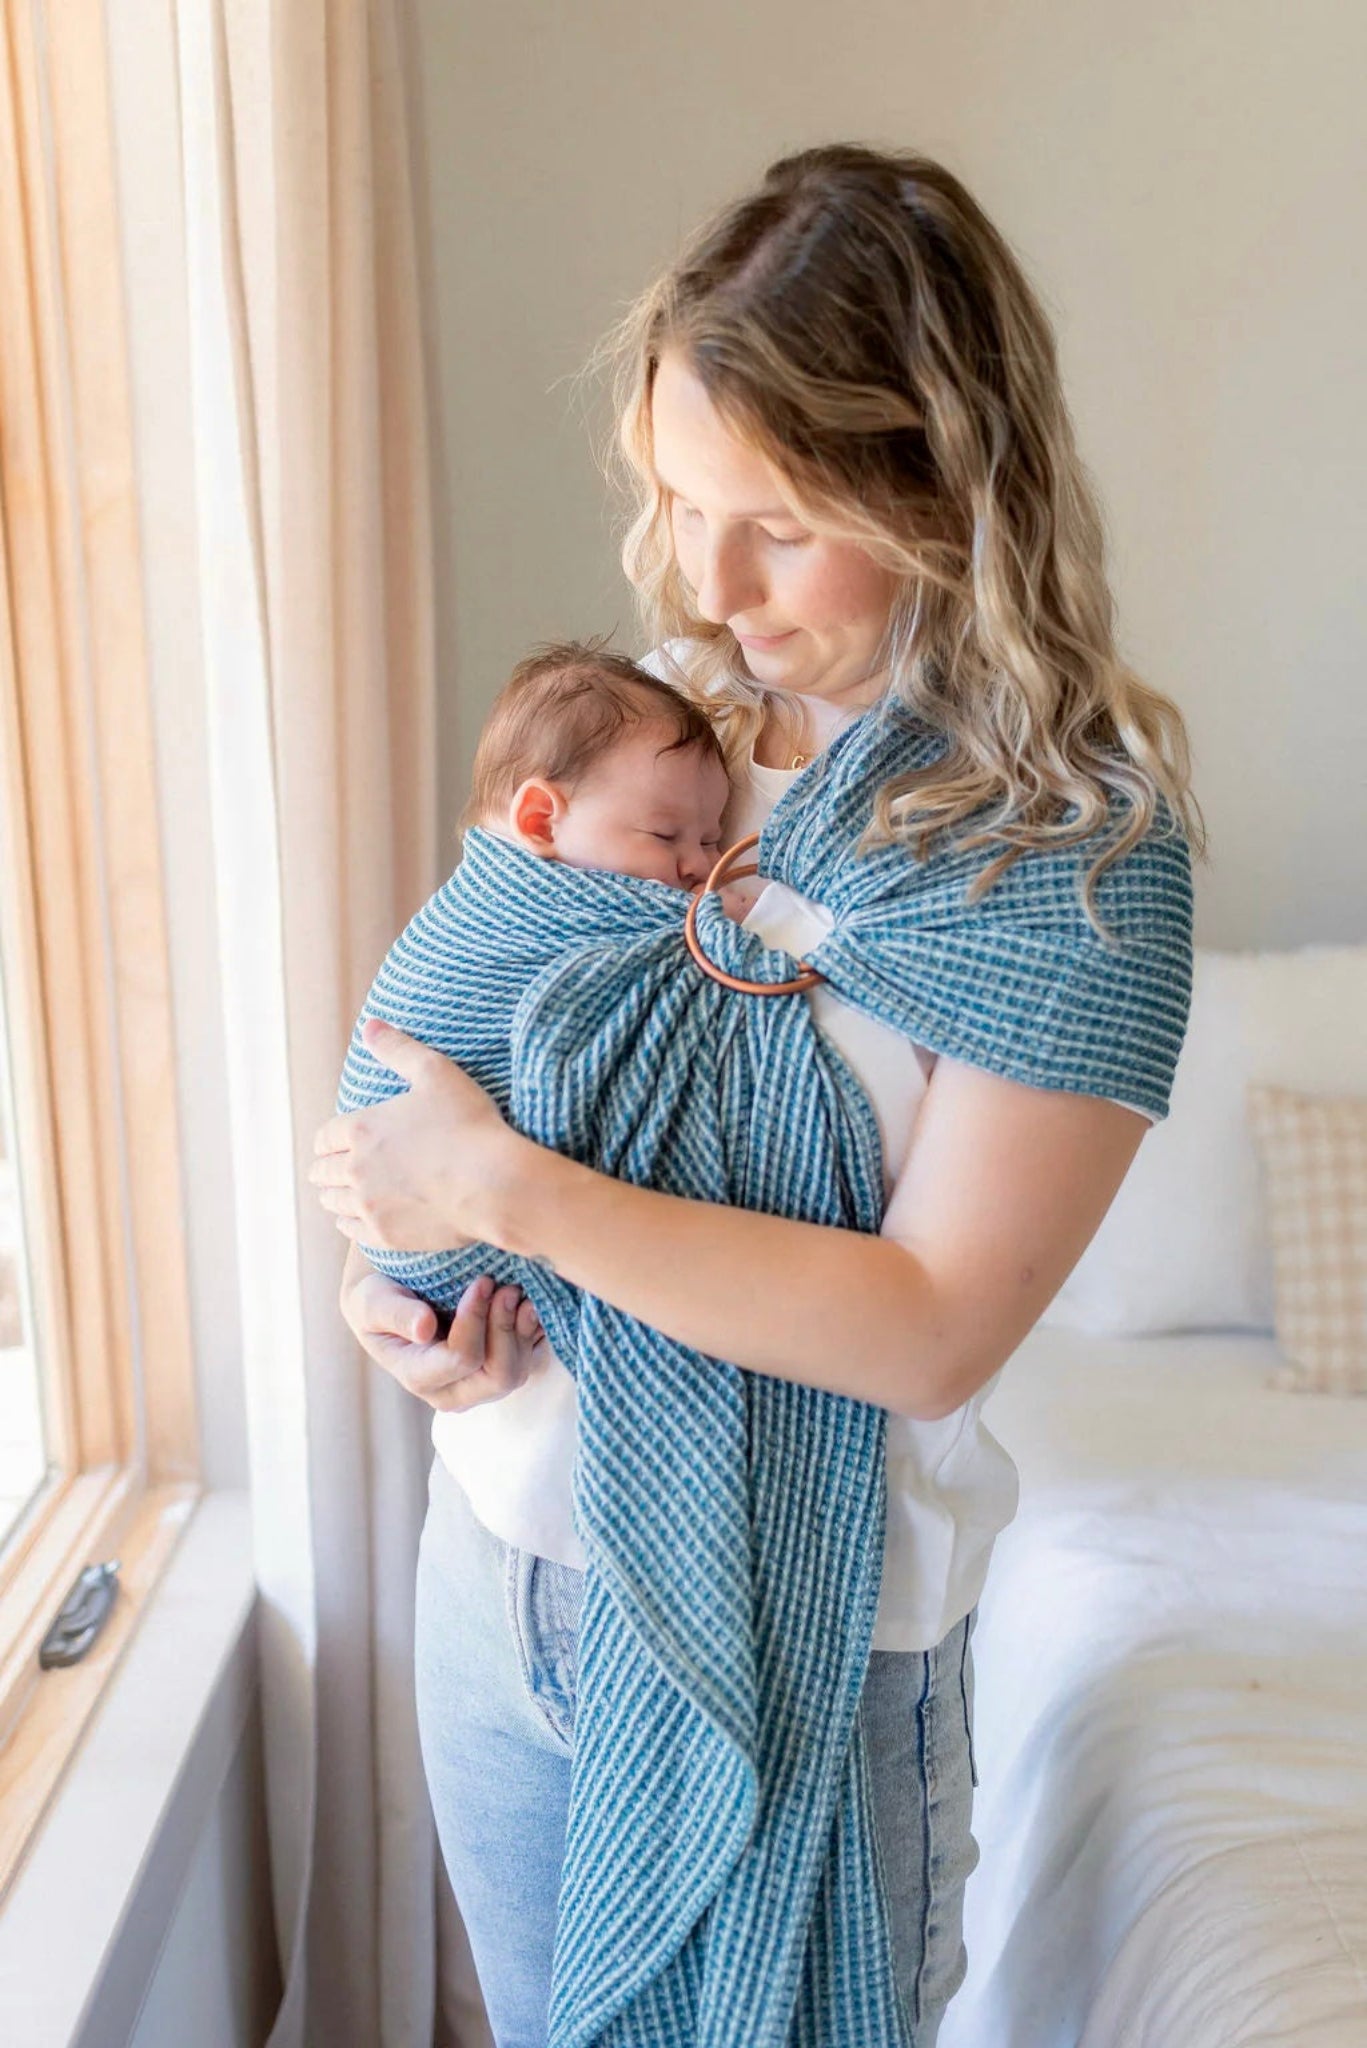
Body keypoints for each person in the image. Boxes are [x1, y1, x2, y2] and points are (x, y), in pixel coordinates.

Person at [308, 143, 1201, 2048]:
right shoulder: (651, 736)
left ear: (946, 488)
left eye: (780, 520)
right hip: (502, 1582)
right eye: (677, 501)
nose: (710, 584)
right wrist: (413, 1294)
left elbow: (933, 1330)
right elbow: (435, 1059)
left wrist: (507, 1190)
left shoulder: (1069, 852)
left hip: (821, 1668)